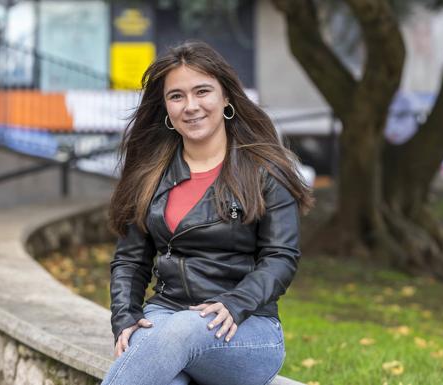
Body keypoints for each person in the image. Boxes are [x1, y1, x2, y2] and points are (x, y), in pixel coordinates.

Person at [103, 40, 314, 385]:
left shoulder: (265, 170)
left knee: (182, 328)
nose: (191, 106)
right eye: (177, 96)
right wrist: (125, 317)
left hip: (246, 326)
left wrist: (236, 302)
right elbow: (130, 260)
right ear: (165, 107)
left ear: (226, 97)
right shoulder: (149, 173)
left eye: (202, 91)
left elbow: (281, 257)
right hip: (166, 315)